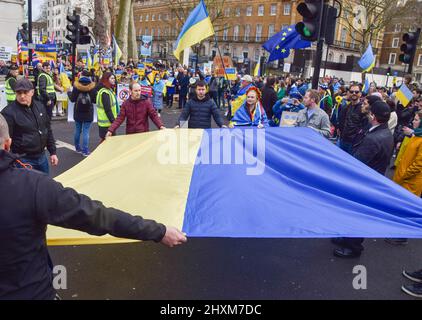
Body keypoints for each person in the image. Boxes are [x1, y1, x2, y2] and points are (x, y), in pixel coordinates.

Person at [0, 114, 187, 300]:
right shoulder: (33, 186)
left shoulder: (33, 186)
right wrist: (159, 231)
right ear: (8, 144)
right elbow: (97, 217)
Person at [334, 101, 393, 258]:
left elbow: (357, 162)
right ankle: (347, 237)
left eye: (369, 113)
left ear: (373, 116)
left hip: (365, 183)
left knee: (357, 213)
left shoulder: (374, 138)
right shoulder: (384, 132)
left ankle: (353, 247)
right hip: (373, 179)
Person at [0, 78, 58, 174]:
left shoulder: (40, 106)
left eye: (25, 92)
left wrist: (53, 152)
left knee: (45, 185)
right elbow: (5, 140)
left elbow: (47, 129)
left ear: (32, 92)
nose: (22, 96)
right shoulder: (8, 113)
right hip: (22, 160)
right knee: (27, 188)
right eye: (19, 93)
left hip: (42, 157)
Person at [68, 70, 97, 156]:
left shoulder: (76, 86)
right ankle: (85, 150)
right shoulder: (92, 86)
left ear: (81, 75)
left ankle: (77, 147)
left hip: (78, 111)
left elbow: (72, 99)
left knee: (77, 129)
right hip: (88, 111)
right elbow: (94, 100)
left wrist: (69, 92)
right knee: (86, 131)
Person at [338, 84, 366, 154]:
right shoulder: (345, 107)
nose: (354, 93)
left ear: (360, 93)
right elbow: (341, 122)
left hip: (354, 143)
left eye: (356, 92)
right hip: (343, 140)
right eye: (351, 91)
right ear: (348, 93)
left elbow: (365, 127)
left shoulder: (363, 109)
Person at [96, 72, 117, 141]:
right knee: (108, 144)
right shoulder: (105, 92)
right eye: (112, 78)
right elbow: (108, 109)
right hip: (106, 124)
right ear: (106, 79)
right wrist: (113, 122)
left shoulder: (108, 90)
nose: (114, 80)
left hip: (106, 123)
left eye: (114, 78)